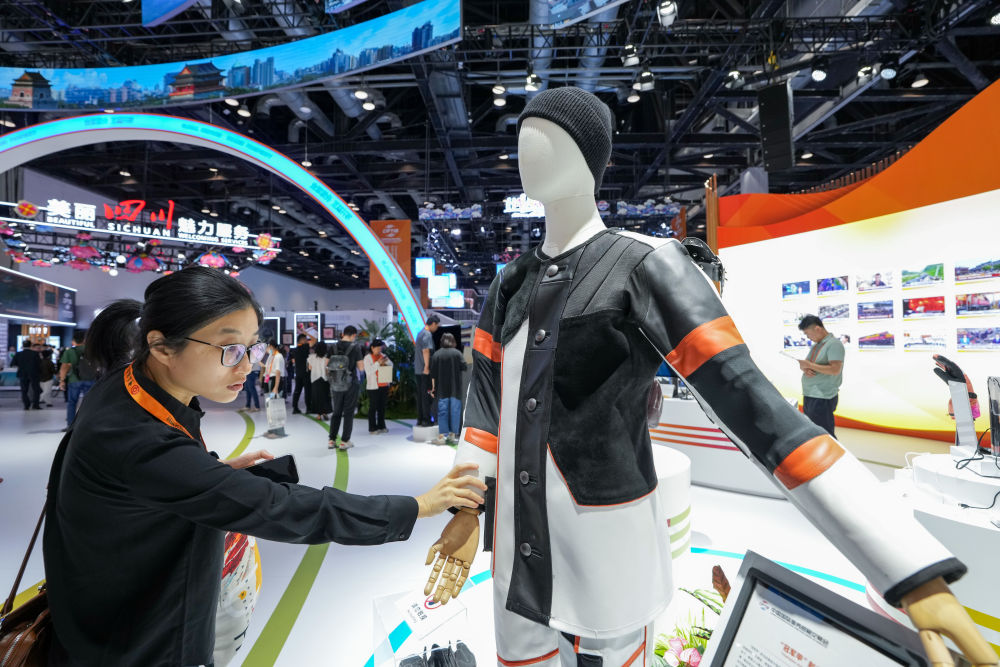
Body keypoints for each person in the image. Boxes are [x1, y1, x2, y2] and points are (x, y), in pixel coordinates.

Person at [421, 87, 990, 666]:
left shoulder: (648, 263)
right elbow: (485, 413)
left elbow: (751, 401)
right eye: (522, 136)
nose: (528, 149)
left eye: (548, 136)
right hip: (514, 552)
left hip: (609, 551)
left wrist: (907, 566)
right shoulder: (509, 283)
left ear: (590, 156)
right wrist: (468, 510)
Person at [41, 266, 486, 666]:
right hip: (138, 644)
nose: (247, 366)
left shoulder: (128, 389)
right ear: (161, 346)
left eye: (251, 348)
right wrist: (418, 506)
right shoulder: (135, 438)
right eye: (229, 349)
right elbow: (278, 507)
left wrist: (206, 471)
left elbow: (149, 481)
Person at [797, 314, 846, 436]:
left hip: (822, 396)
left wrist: (810, 365)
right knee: (814, 432)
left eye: (807, 333)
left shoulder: (834, 344)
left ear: (817, 329)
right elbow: (811, 365)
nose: (808, 337)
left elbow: (835, 369)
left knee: (824, 434)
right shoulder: (817, 345)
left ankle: (832, 449)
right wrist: (805, 368)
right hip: (811, 394)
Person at [327, 325, 365, 450]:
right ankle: (344, 441)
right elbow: (361, 368)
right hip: (350, 384)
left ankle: (331, 440)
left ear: (343, 334)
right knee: (348, 412)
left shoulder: (333, 346)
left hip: (336, 384)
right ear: (354, 335)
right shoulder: (356, 347)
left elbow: (326, 365)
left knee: (336, 412)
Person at [429, 333, 467, 445]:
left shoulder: (437, 354)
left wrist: (433, 389)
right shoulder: (457, 353)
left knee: (442, 412)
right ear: (453, 341)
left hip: (441, 390)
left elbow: (433, 374)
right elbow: (464, 367)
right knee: (455, 412)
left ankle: (441, 437)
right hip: (455, 389)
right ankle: (452, 436)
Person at [59, 330, 97, 429]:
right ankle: (89, 425)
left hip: (74, 380)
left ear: (73, 341)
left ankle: (70, 425)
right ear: (85, 340)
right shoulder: (92, 351)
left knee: (72, 403)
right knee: (89, 403)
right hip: (90, 379)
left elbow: (64, 367)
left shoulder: (69, 351)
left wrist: (62, 380)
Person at [414, 314, 440, 427]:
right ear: (433, 324)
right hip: (424, 370)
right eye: (437, 326)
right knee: (426, 395)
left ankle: (420, 419)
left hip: (418, 369)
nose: (437, 328)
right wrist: (427, 367)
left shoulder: (420, 333)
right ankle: (426, 419)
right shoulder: (427, 334)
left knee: (421, 395)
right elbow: (426, 351)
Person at [364, 338, 392, 434]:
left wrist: (386, 362)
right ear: (372, 348)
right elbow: (368, 371)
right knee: (373, 407)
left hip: (384, 384)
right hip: (373, 386)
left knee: (382, 407)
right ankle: (372, 428)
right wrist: (378, 363)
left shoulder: (383, 356)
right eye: (377, 348)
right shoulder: (367, 358)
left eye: (380, 348)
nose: (379, 350)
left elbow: (391, 365)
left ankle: (381, 426)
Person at [263, 340, 286, 439]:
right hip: (269, 381)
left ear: (271, 346)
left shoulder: (278, 356)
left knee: (276, 406)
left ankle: (279, 430)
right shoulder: (271, 356)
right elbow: (267, 369)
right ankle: (273, 428)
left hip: (275, 382)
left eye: (267, 347)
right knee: (270, 406)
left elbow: (278, 372)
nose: (267, 349)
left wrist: (276, 387)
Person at [13, 341, 42, 410]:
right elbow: (39, 364)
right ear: (31, 345)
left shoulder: (18, 354)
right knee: (36, 390)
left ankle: (26, 405)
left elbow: (13, 363)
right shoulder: (35, 353)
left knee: (24, 390)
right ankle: (35, 405)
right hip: (34, 374)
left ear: (22, 346)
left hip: (22, 374)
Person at [308, 341, 332, 421]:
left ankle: (319, 415)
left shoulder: (312, 357)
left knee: (316, 397)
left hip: (315, 379)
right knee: (325, 397)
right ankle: (325, 413)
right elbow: (328, 370)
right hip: (325, 379)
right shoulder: (327, 357)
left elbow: (310, 368)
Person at [291, 334, 311, 414]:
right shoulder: (305, 347)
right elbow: (314, 340)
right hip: (306, 373)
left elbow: (293, 361)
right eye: (305, 339)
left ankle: (295, 408)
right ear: (302, 340)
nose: (307, 341)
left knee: (297, 391)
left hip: (298, 373)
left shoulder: (295, 350)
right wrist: (305, 332)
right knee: (307, 391)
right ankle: (308, 408)